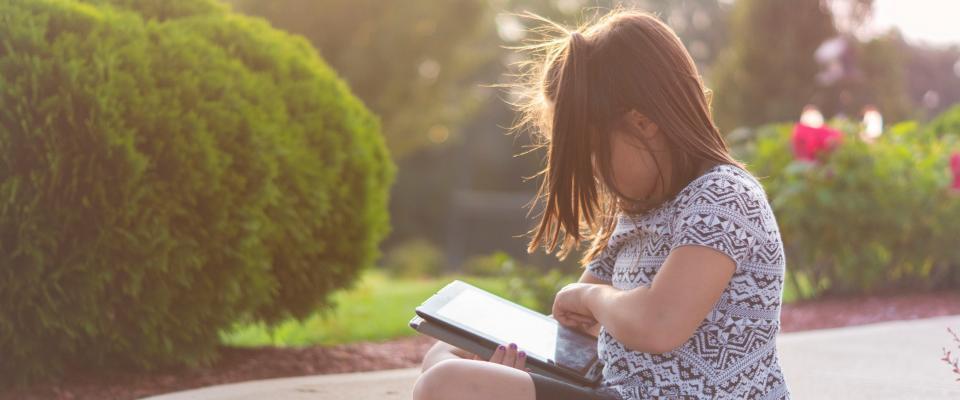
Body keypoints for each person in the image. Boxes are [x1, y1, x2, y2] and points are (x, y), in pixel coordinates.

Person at [414, 9, 790, 400]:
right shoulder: (635, 214)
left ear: (643, 124)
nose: (593, 172)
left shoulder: (722, 196)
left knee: (447, 383)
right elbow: (574, 335)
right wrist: (512, 354)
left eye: (593, 153)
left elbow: (659, 323)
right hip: (615, 390)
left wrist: (591, 298)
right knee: (445, 355)